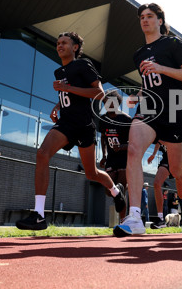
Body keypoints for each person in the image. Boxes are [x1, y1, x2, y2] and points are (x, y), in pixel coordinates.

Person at [16, 32, 125, 230]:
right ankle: (39, 215)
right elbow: (68, 92)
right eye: (58, 43)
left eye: (64, 42)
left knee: (91, 173)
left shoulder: (83, 65)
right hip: (65, 124)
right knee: (42, 154)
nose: (60, 45)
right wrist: (58, 105)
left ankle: (117, 192)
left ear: (75, 47)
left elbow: (99, 94)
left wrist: (68, 88)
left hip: (84, 126)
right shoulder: (59, 72)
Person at [113, 3, 182, 237]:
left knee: (177, 169)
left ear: (160, 20)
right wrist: (139, 95)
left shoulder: (171, 44)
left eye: (150, 16)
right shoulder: (138, 54)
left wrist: (162, 68)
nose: (144, 20)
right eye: (141, 17)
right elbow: (149, 82)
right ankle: (134, 217)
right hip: (150, 107)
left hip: (174, 108)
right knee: (133, 150)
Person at [98, 90, 132, 219]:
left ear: (117, 103)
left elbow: (134, 143)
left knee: (121, 188)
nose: (107, 105)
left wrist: (123, 146)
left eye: (110, 102)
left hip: (124, 158)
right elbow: (102, 137)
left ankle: (123, 221)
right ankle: (126, 189)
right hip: (111, 158)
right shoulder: (103, 119)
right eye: (105, 103)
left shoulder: (126, 119)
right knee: (109, 190)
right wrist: (104, 155)